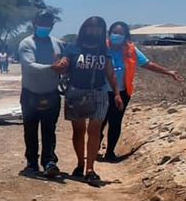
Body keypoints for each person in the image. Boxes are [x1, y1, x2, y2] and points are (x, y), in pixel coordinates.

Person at [101, 21, 183, 161]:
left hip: (123, 91)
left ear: (126, 35)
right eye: (115, 32)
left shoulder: (131, 50)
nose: (117, 35)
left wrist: (168, 72)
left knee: (115, 121)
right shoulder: (101, 48)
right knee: (100, 120)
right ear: (109, 33)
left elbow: (147, 64)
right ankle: (94, 144)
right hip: (101, 91)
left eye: (121, 33)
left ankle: (110, 152)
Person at [56, 16, 122, 185]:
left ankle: (90, 169)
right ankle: (80, 163)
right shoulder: (72, 48)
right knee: (78, 131)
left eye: (98, 28)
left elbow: (110, 72)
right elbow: (64, 65)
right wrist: (61, 64)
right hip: (76, 92)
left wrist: (116, 93)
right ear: (84, 28)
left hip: (99, 93)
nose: (94, 31)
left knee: (94, 131)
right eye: (91, 27)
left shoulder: (103, 50)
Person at [18, 11, 66, 177]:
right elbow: (30, 65)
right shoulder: (26, 44)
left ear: (52, 25)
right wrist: (52, 68)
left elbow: (66, 61)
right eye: (41, 22)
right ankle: (31, 162)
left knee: (49, 129)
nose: (44, 26)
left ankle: (49, 161)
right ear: (34, 23)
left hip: (51, 93)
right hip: (31, 94)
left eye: (47, 23)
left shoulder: (58, 44)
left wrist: (65, 66)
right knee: (30, 129)